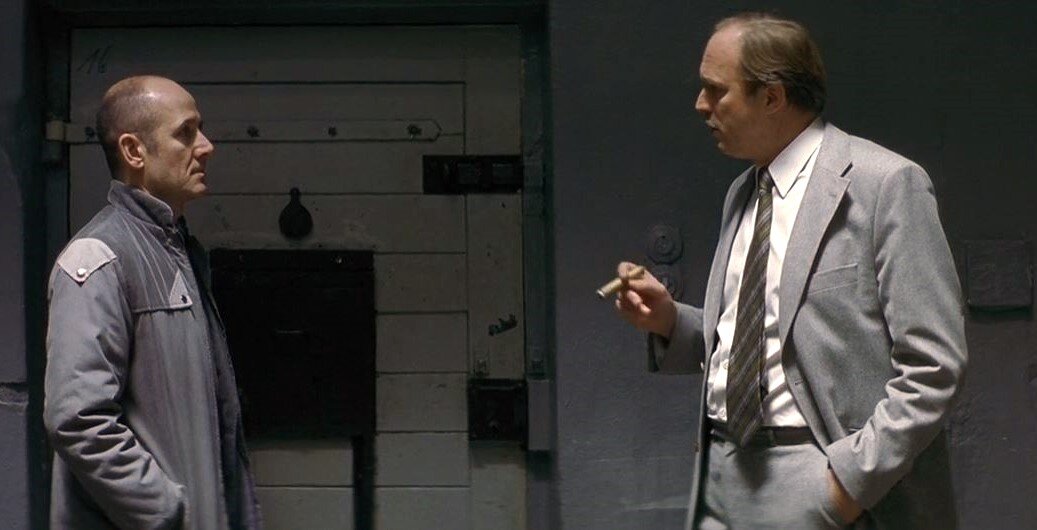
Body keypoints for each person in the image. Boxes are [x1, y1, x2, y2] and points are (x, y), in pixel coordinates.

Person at [615, 13, 966, 530]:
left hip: (819, 479)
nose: (701, 105)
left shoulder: (886, 184)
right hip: (718, 475)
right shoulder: (742, 193)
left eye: (716, 90)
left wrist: (846, 487)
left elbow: (935, 366)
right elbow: (756, 343)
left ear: (772, 97)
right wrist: (670, 321)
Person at [44, 75, 261, 529]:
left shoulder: (179, 251)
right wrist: (168, 511)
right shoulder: (98, 260)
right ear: (134, 151)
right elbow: (78, 420)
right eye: (186, 133)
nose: (206, 147)